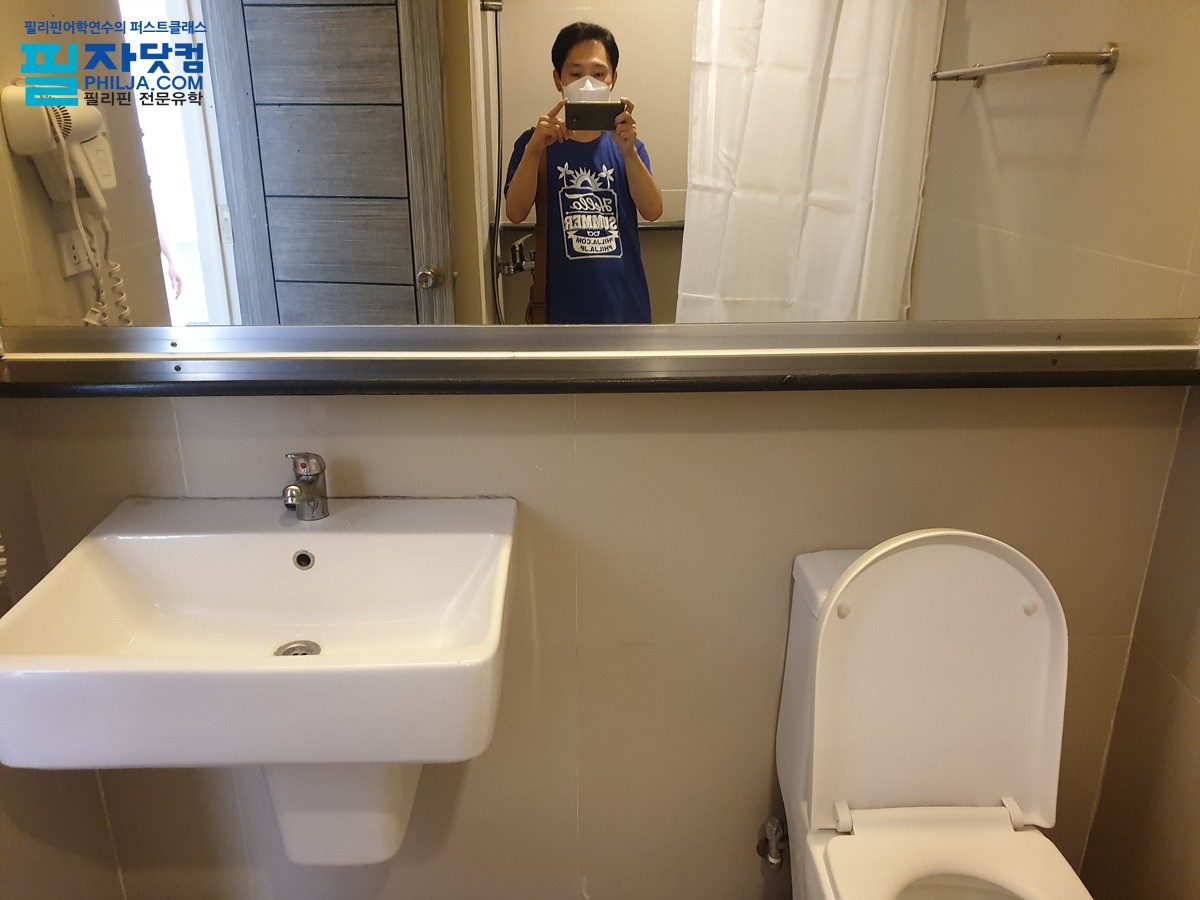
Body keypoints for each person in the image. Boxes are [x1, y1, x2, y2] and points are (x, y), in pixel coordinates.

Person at [505, 22, 663, 324]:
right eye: (576, 74)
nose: (588, 84)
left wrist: (629, 152)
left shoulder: (629, 147)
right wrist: (534, 149)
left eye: (599, 74)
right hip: (560, 313)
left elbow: (653, 211)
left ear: (614, 79)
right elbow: (515, 212)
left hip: (625, 309)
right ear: (558, 79)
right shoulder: (534, 144)